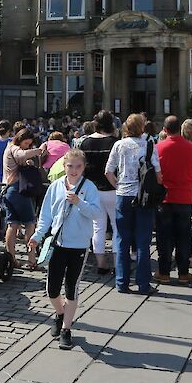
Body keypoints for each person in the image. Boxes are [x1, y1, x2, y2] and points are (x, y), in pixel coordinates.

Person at [29, 149, 102, 350]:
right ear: (64, 166)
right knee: (52, 289)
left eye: (78, 166)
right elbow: (46, 216)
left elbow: (96, 214)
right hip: (58, 244)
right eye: (70, 166)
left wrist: (80, 203)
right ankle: (60, 313)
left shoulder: (89, 187)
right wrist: (36, 236)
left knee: (71, 288)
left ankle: (66, 329)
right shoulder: (55, 187)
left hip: (78, 245)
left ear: (84, 167)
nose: (74, 170)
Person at [105, 113, 162, 293]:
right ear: (142, 127)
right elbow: (159, 175)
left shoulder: (118, 145)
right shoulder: (149, 145)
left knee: (122, 239)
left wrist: (119, 185)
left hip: (123, 196)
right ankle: (143, 283)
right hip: (143, 197)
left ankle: (122, 282)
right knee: (143, 241)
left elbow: (108, 171)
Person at [153, 117, 192, 284]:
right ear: (180, 128)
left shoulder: (158, 148)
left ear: (165, 130)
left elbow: (155, 175)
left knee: (164, 237)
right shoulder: (191, 148)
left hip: (164, 198)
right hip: (184, 197)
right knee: (184, 236)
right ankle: (183, 273)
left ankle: (164, 272)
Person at [79, 112, 119, 274]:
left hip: (92, 190)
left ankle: (101, 264)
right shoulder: (115, 143)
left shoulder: (85, 142)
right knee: (117, 227)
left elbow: (81, 168)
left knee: (98, 227)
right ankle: (118, 264)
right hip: (112, 188)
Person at [3, 129, 48, 268]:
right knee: (30, 223)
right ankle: (31, 259)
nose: (27, 146)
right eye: (26, 143)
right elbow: (21, 154)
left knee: (13, 224)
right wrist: (38, 150)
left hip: (8, 190)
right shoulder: (14, 148)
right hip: (19, 190)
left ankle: (12, 259)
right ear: (20, 139)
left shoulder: (8, 148)